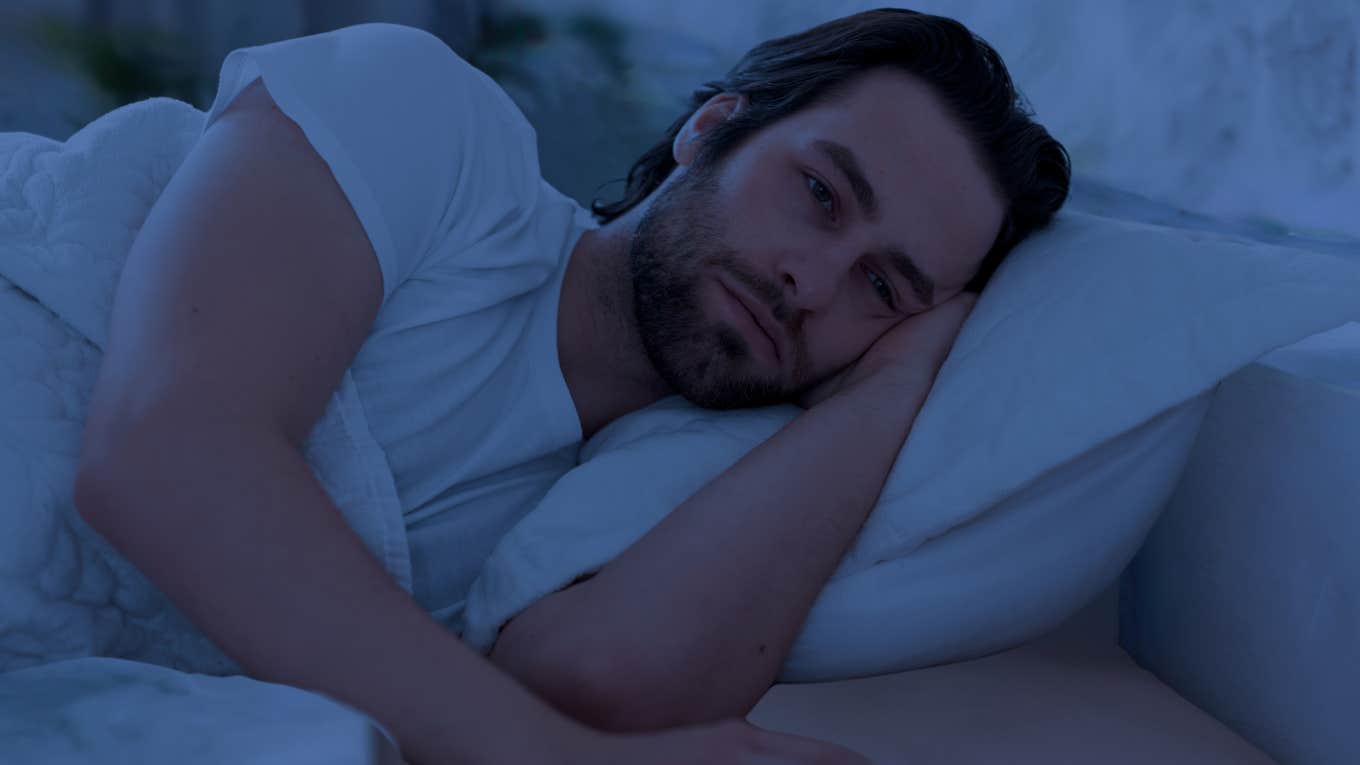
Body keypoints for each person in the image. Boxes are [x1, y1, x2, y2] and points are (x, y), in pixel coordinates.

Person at [71, 6, 1069, 764]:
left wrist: (891, 388)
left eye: (882, 285)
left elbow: (605, 685)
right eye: (817, 193)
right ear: (711, 128)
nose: (813, 281)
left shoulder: (669, 492)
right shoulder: (429, 118)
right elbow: (165, 448)